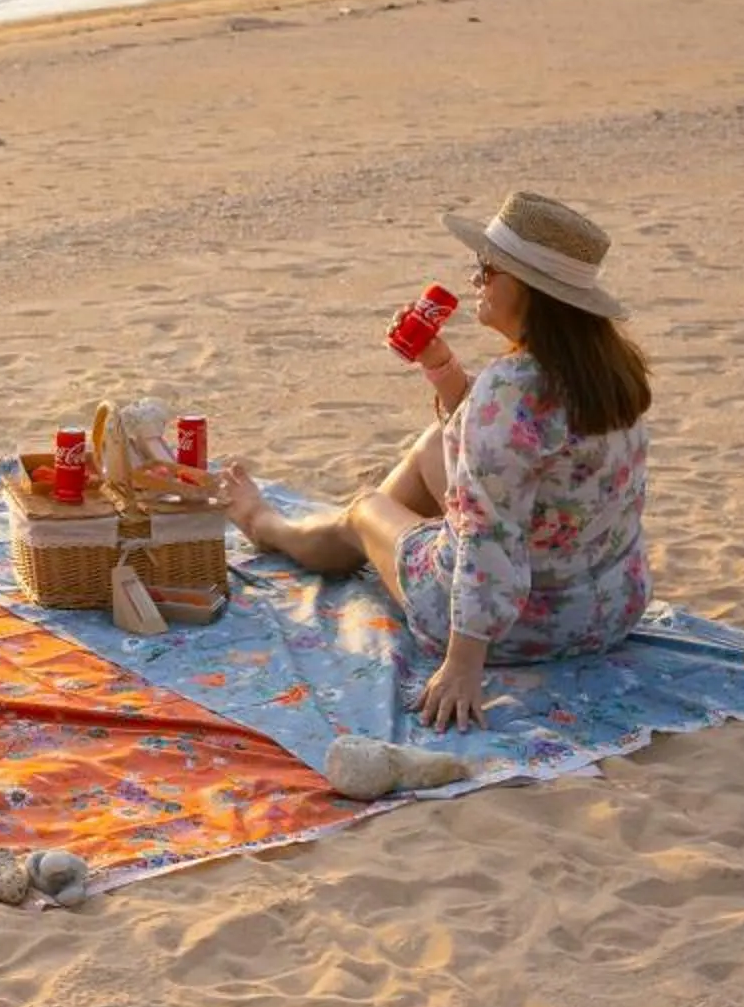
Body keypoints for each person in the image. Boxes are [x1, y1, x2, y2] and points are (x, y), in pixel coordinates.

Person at [220, 192, 652, 732]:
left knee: (363, 508)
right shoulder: (608, 369)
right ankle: (342, 540)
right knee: (432, 444)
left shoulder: (510, 391)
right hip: (608, 608)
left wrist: (463, 664)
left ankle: (272, 527)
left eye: (488, 270)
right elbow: (518, 448)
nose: (476, 281)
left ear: (531, 290)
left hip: (521, 626)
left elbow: (488, 534)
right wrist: (440, 366)